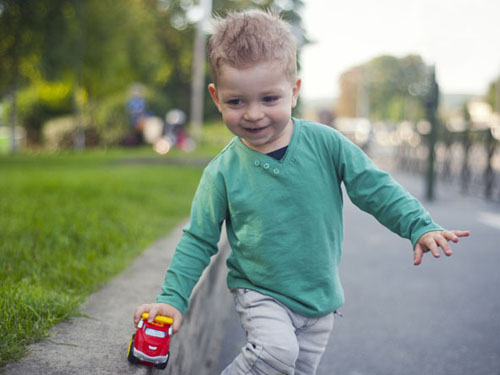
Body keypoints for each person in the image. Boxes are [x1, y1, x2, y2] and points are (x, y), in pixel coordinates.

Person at [134, 10, 469, 375]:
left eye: (269, 99)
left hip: (320, 299)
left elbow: (375, 187)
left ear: (294, 91)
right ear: (216, 98)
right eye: (236, 102)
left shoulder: (326, 144)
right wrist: (172, 299)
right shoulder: (222, 172)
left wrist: (418, 225)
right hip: (260, 291)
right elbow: (198, 239)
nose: (253, 114)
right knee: (275, 353)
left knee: (289, 369)